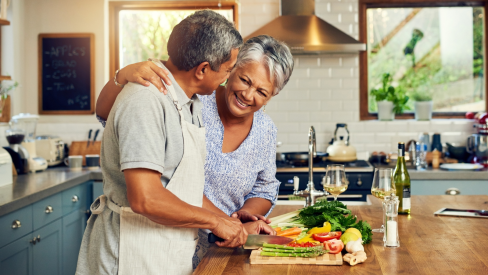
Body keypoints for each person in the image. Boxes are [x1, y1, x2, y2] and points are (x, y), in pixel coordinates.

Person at [96, 35, 295, 268]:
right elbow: (108, 113)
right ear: (231, 69)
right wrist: (122, 75)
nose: (248, 95)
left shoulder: (266, 130)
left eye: (262, 92)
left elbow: (265, 186)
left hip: (226, 243)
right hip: (164, 237)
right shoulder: (195, 98)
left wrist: (240, 219)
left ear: (273, 96)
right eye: (245, 80)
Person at [76, 10, 248, 275]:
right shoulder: (145, 101)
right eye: (226, 71)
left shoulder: (190, 103)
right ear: (202, 69)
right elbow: (146, 199)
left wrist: (230, 222)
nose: (226, 79)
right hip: (129, 255)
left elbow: (181, 189)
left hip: (163, 251)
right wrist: (214, 222)